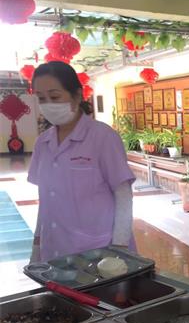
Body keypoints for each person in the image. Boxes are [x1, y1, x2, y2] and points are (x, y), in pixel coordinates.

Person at [28, 61, 136, 263]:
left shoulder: (103, 137)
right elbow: (46, 200)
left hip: (98, 252)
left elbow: (123, 195)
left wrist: (120, 249)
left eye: (55, 96)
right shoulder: (42, 143)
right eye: (41, 98)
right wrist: (36, 245)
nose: (48, 104)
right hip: (54, 249)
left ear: (77, 95)